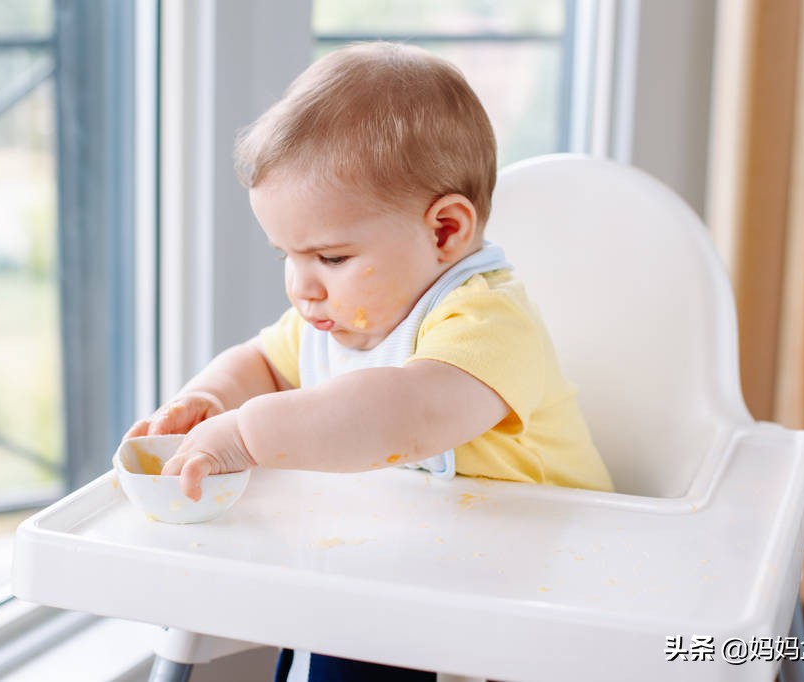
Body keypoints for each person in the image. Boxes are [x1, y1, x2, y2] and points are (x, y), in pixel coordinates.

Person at [123, 41, 613, 682]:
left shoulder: (489, 322)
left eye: (330, 258)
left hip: (555, 586)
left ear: (445, 231)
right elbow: (263, 365)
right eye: (286, 257)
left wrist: (245, 435)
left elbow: (402, 413)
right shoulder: (339, 321)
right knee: (323, 634)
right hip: (420, 567)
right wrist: (212, 400)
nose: (304, 288)